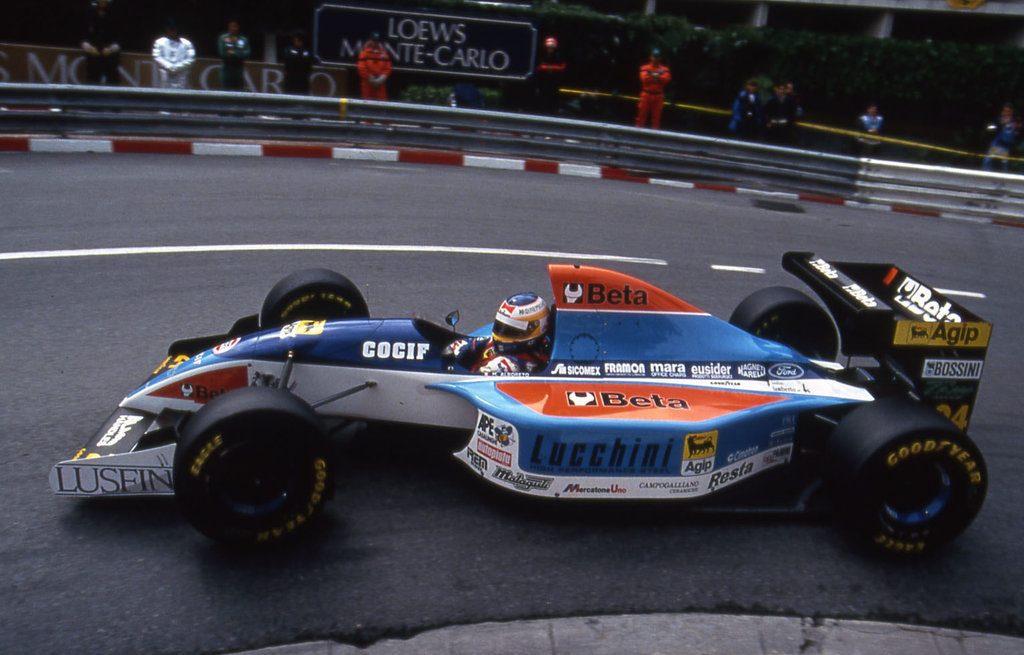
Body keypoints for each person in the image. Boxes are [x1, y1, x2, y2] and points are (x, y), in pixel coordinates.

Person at [444, 293, 551, 375]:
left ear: (535, 328)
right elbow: (469, 343)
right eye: (500, 327)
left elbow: (481, 377)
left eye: (510, 331)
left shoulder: (506, 364)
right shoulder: (493, 342)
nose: (501, 335)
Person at [82, 0, 120, 85]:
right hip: (93, 52)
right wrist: (87, 46)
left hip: (110, 53)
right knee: (92, 80)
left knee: (112, 80)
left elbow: (120, 38)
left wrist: (111, 48)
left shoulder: (116, 10)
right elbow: (83, 33)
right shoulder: (90, 9)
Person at [635, 47, 671, 129]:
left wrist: (651, 75)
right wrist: (658, 76)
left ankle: (655, 137)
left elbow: (665, 80)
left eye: (657, 56)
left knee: (656, 119)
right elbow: (644, 79)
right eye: (654, 56)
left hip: (658, 96)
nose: (655, 58)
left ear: (660, 58)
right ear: (650, 57)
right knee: (641, 117)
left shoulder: (665, 69)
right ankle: (637, 134)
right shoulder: (644, 68)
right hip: (646, 94)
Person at [152, 21, 195, 89]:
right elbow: (157, 56)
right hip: (165, 75)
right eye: (171, 29)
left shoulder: (187, 43)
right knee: (163, 94)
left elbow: (190, 59)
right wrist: (169, 66)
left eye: (174, 29)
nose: (173, 31)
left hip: (181, 76)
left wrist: (177, 67)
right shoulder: (159, 42)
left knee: (181, 94)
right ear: (167, 29)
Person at [982, 103, 1021, 172]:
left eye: (1008, 111)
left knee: (1004, 164)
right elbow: (989, 128)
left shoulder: (1015, 122)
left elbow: (1017, 134)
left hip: (1006, 147)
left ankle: (1003, 181)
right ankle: (986, 177)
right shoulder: (998, 120)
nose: (1006, 113)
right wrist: (1000, 125)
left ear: (1011, 112)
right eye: (1005, 111)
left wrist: (1017, 130)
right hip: (996, 144)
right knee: (988, 160)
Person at [533, 36, 566, 114]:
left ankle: (554, 110)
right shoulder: (541, 56)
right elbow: (537, 67)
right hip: (543, 81)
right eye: (548, 47)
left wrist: (552, 68)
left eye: (552, 47)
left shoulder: (558, 56)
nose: (550, 49)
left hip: (554, 82)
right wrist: (545, 68)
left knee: (554, 96)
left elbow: (562, 67)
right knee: (542, 95)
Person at [357, 32, 392, 101]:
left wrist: (381, 79)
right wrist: (370, 78)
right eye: (374, 41)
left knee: (381, 106)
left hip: (380, 85)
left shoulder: (384, 54)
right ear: (370, 41)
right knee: (367, 105)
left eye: (377, 41)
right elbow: (361, 68)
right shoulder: (364, 53)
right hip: (367, 84)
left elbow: (387, 68)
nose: (375, 43)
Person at [218, 19, 250, 91]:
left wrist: (233, 53)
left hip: (239, 70)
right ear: (229, 27)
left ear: (238, 27)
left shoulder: (243, 40)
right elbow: (222, 54)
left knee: (239, 92)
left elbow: (247, 54)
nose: (234, 28)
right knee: (225, 92)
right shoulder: (223, 38)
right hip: (226, 70)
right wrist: (239, 53)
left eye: (235, 26)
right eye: (232, 26)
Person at [282, 30, 314, 95]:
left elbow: (310, 64)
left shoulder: (307, 52)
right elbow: (287, 61)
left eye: (297, 40)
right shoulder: (289, 50)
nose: (296, 41)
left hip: (303, 81)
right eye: (295, 40)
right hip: (291, 80)